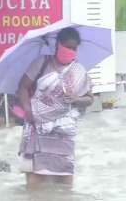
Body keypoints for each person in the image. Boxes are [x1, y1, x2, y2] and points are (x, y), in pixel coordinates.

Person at [17, 27, 94, 189]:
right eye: (67, 47)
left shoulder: (78, 71)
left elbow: (90, 99)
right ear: (58, 45)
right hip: (37, 128)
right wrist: (27, 109)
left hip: (63, 134)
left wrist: (76, 98)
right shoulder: (42, 63)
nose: (70, 51)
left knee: (65, 181)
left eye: (74, 48)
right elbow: (22, 87)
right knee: (35, 181)